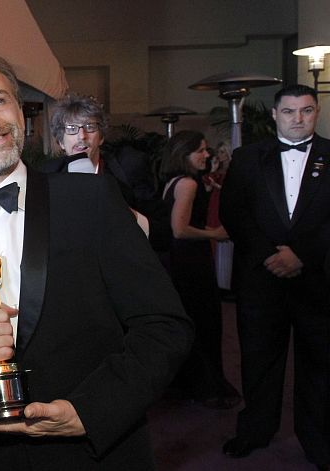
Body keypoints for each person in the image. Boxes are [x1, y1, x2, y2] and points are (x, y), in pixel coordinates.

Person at [0, 49, 193, 470]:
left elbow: (164, 325)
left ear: (21, 113)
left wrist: (92, 409)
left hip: (96, 451)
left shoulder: (93, 200)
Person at [220, 84, 330, 469]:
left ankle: (318, 440)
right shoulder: (247, 158)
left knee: (319, 365)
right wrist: (269, 254)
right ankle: (255, 431)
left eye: (306, 110)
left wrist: (303, 255)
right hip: (261, 279)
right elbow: (234, 213)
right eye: (289, 111)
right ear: (274, 115)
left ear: (316, 112)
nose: (298, 119)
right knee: (258, 361)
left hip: (318, 280)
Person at [160, 130, 240, 409]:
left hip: (180, 261)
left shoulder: (174, 181)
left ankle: (189, 383)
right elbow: (179, 230)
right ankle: (204, 385)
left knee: (192, 322)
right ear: (184, 155)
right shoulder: (187, 184)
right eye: (201, 151)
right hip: (190, 262)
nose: (207, 155)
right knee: (203, 322)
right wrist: (214, 234)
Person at [40, 94, 171, 251]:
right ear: (61, 142)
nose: (82, 136)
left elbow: (163, 234)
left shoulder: (128, 168)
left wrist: (125, 214)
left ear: (101, 138)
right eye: (72, 129)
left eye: (90, 127)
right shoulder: (47, 175)